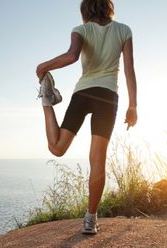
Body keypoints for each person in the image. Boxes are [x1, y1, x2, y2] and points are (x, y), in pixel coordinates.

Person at [36, 0, 137, 235]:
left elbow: (72, 56)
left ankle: (46, 100)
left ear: (85, 10)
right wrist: (133, 106)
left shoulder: (80, 30)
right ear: (108, 6)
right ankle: (90, 220)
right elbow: (129, 70)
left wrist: (44, 66)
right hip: (108, 95)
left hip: (84, 92)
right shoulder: (124, 30)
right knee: (98, 158)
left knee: (57, 148)